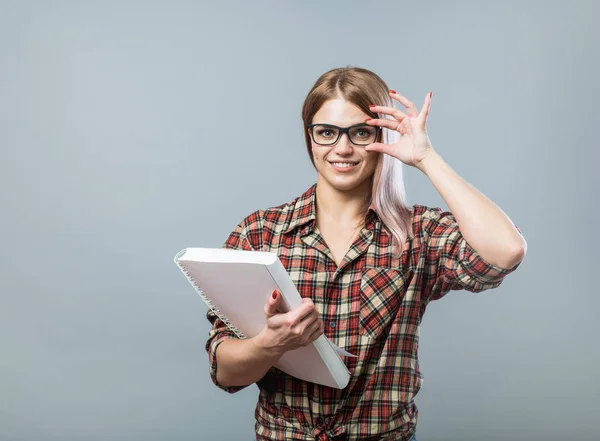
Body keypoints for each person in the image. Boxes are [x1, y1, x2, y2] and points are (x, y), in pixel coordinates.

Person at [204, 66, 527, 441]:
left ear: (382, 136)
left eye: (360, 133)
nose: (342, 149)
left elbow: (506, 252)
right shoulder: (259, 234)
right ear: (309, 138)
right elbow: (225, 372)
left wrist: (426, 158)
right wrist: (269, 345)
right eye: (326, 133)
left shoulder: (415, 233)